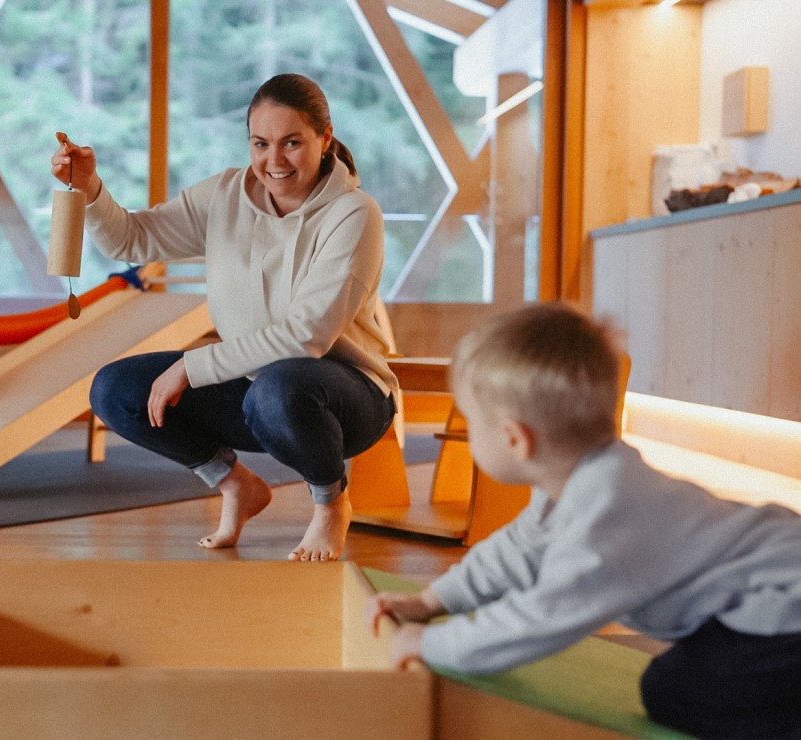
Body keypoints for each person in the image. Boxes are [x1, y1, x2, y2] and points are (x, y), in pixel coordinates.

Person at [366, 302, 801, 738]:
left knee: (671, 692)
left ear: (515, 439)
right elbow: (516, 550)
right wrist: (432, 601)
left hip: (785, 606)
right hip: (765, 593)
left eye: (473, 423)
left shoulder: (607, 516)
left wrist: (431, 644)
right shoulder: (583, 480)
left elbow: (536, 621)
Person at [50, 73, 397, 562]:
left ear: (326, 138)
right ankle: (237, 487)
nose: (273, 161)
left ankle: (330, 502)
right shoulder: (226, 195)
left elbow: (307, 336)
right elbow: (130, 240)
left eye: (292, 142)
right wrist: (88, 188)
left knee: (280, 387)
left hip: (345, 399)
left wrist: (190, 366)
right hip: (258, 390)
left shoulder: (354, 213)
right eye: (261, 143)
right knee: (115, 389)